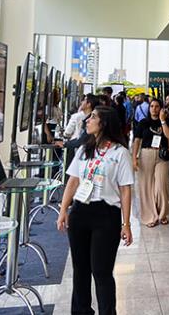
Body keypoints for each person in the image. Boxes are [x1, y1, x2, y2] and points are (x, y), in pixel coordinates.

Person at [57, 106, 134, 315]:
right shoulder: (84, 149)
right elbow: (73, 181)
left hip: (106, 215)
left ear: (104, 124)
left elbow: (125, 190)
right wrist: (64, 209)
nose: (87, 120)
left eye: (93, 117)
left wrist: (126, 224)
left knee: (101, 271)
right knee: (80, 270)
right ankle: (81, 311)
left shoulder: (120, 153)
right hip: (80, 212)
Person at [132, 98, 169, 227]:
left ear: (161, 108)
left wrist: (163, 120)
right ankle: (150, 216)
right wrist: (134, 158)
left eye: (157, 106)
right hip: (146, 154)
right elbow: (137, 140)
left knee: (162, 185)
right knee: (146, 186)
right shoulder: (143, 122)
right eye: (152, 106)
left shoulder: (166, 121)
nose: (154, 109)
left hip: (162, 155)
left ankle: (162, 213)